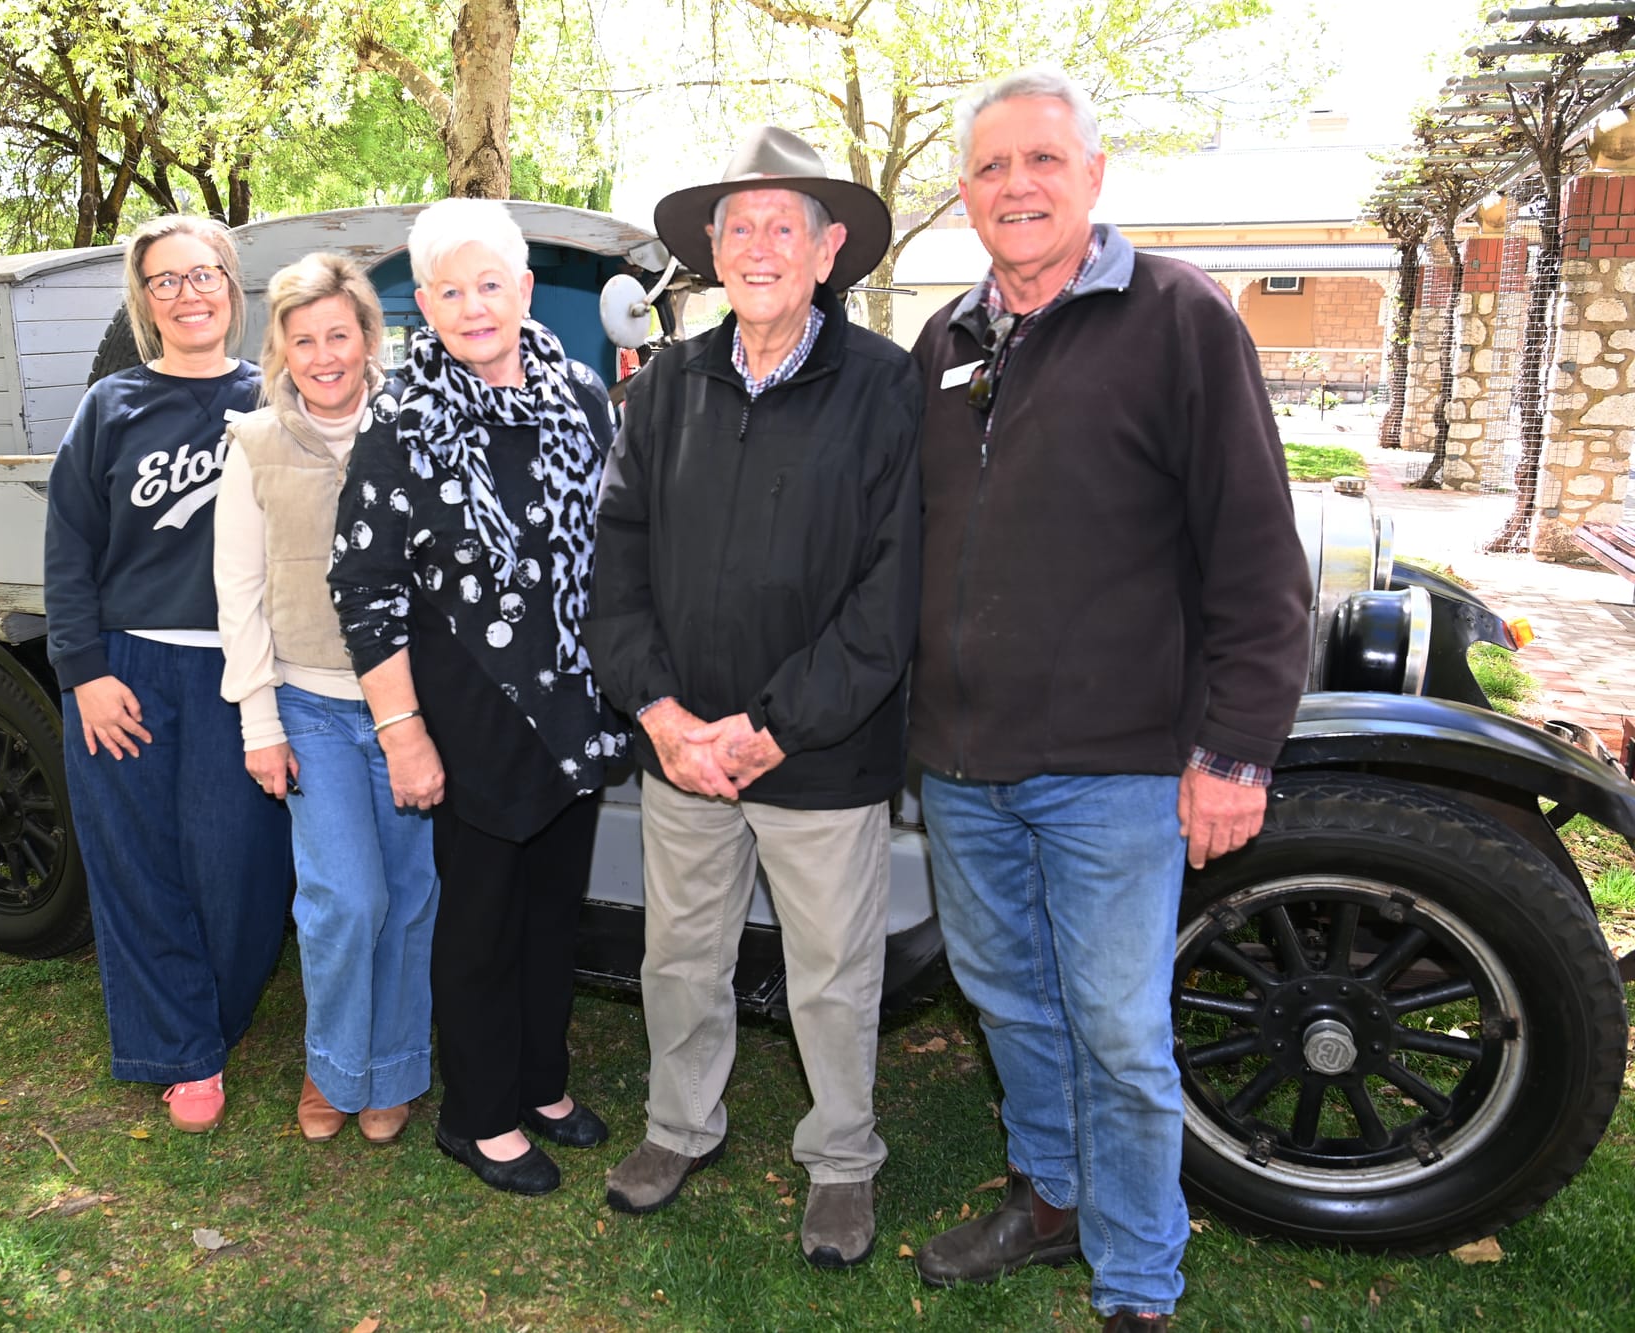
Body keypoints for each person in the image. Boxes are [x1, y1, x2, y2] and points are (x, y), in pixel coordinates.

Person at [905, 68, 1311, 1331]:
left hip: (1118, 767)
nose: (1014, 186)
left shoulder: (1178, 317)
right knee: (1008, 1000)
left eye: (1041, 162)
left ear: (1092, 176)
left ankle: (1136, 1283)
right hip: (962, 763)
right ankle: (1053, 1194)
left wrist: (1235, 753)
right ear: (963, 194)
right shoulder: (948, 339)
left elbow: (1255, 555)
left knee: (1119, 1036)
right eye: (989, 168)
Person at [586, 125, 923, 1268]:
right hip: (681, 752)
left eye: (784, 225)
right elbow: (615, 564)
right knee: (678, 960)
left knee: (831, 975)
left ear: (827, 252)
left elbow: (891, 591)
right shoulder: (666, 383)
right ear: (712, 253)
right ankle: (679, 1127)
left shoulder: (885, 387)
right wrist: (663, 717)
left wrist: (777, 725)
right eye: (739, 227)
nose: (759, 244)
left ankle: (840, 1162)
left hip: (818, 754)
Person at [327, 198, 622, 1196]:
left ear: (523, 290)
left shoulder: (580, 392)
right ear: (425, 304)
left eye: (488, 283)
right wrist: (402, 732)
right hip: (467, 708)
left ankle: (540, 1081)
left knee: (551, 912)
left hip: (572, 705)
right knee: (481, 922)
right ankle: (476, 1112)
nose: (471, 304)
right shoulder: (400, 415)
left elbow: (615, 540)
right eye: (447, 290)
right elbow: (361, 587)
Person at [44, 214, 292, 1135]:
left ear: (232, 285)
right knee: (138, 865)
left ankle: (216, 1014)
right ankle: (181, 1048)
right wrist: (85, 673)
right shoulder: (110, 405)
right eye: (166, 281)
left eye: (203, 275)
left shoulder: (276, 396)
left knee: (241, 868)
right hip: (129, 667)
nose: (188, 294)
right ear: (144, 301)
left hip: (245, 669)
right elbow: (69, 548)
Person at [214, 254, 440, 1147]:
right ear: (281, 348)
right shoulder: (256, 444)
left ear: (367, 337)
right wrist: (258, 723)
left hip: (413, 710)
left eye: (338, 335)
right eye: (303, 339)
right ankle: (335, 1063)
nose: (323, 355)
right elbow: (239, 594)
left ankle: (392, 1070)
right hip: (311, 706)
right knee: (346, 897)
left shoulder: (418, 429)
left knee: (411, 894)